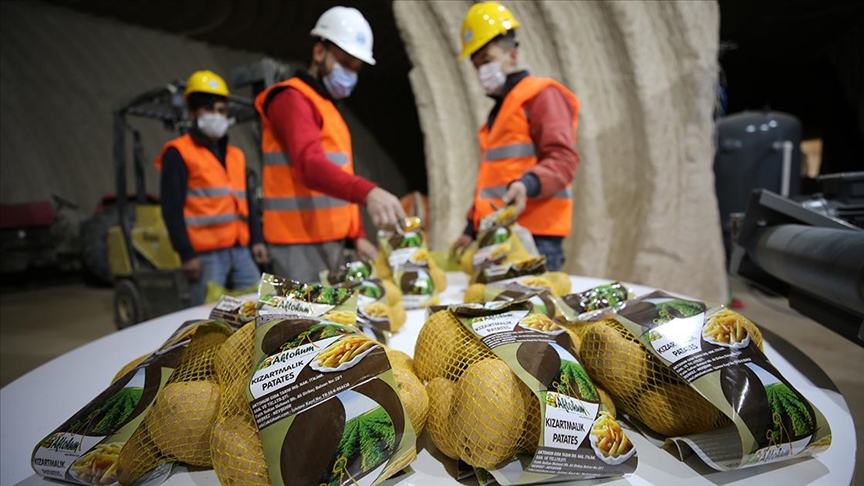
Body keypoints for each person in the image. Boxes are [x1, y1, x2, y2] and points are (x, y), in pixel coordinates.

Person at [255, 5, 406, 283]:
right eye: (346, 63)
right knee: (305, 323)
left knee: (334, 322)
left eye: (356, 68)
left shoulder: (328, 108)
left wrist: (356, 235)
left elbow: (340, 175)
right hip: (298, 245)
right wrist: (369, 192)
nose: (351, 74)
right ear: (319, 52)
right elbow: (309, 165)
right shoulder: (292, 99)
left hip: (333, 241)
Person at [450, 1, 580, 272]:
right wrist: (470, 229)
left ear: (512, 52)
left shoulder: (541, 96)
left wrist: (526, 185)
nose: (482, 70)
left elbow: (563, 159)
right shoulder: (499, 113)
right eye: (476, 64)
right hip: (497, 237)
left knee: (533, 315)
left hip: (535, 239)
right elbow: (492, 180)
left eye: (487, 58)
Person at [155, 70, 268, 306]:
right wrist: (186, 254)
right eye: (209, 110)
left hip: (240, 250)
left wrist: (256, 239)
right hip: (205, 256)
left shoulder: (236, 155)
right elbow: (171, 208)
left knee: (257, 306)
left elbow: (245, 201)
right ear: (193, 112)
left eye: (221, 110)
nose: (216, 116)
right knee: (206, 314)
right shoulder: (179, 152)